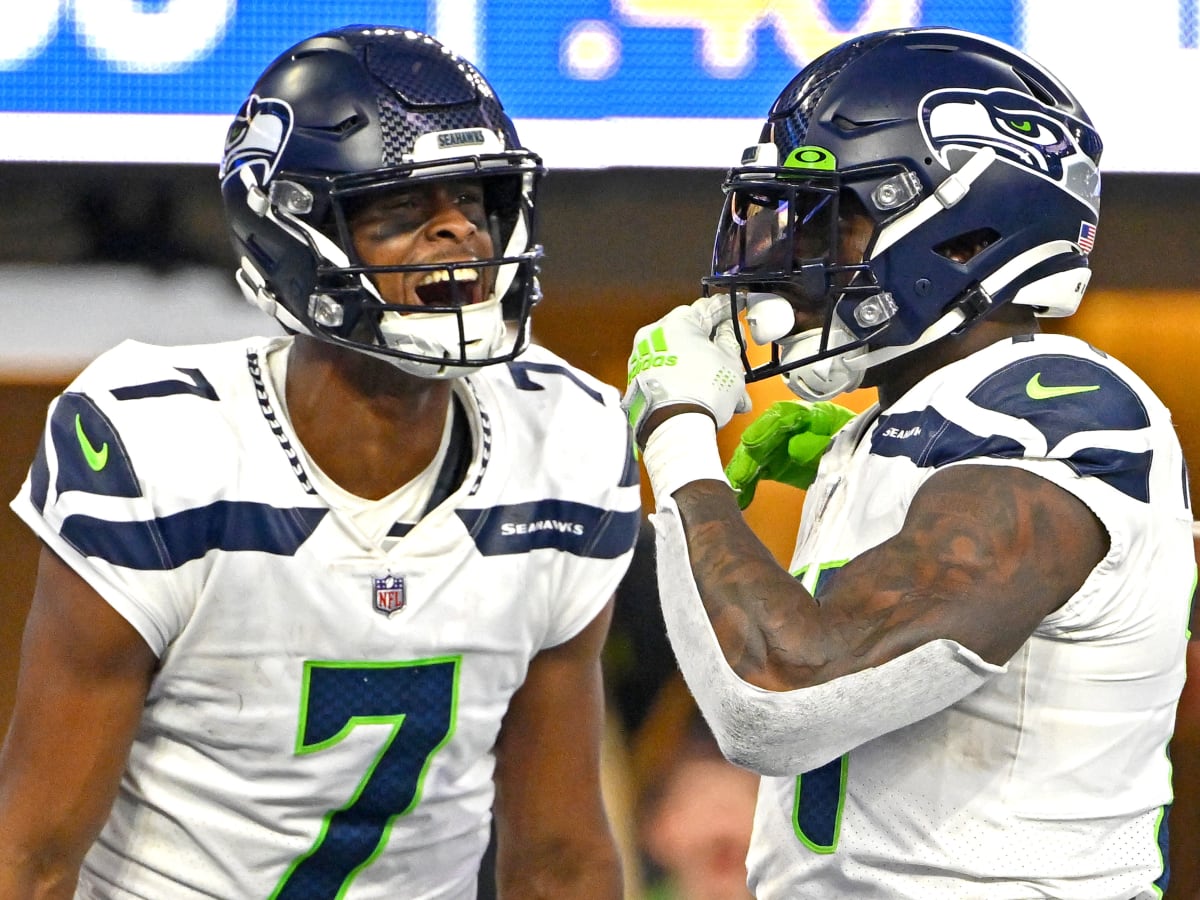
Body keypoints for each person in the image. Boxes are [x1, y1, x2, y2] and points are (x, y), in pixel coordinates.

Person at [0, 25, 640, 898]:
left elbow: (560, 856)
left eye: (475, 204)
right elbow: (29, 855)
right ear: (290, 237)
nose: (459, 235)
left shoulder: (564, 440)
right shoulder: (163, 450)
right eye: (404, 210)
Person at [622, 26, 1194, 899]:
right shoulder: (917, 427)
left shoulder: (1064, 411)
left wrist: (677, 433)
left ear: (964, 237)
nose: (784, 259)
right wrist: (882, 461)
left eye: (828, 219)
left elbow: (777, 698)